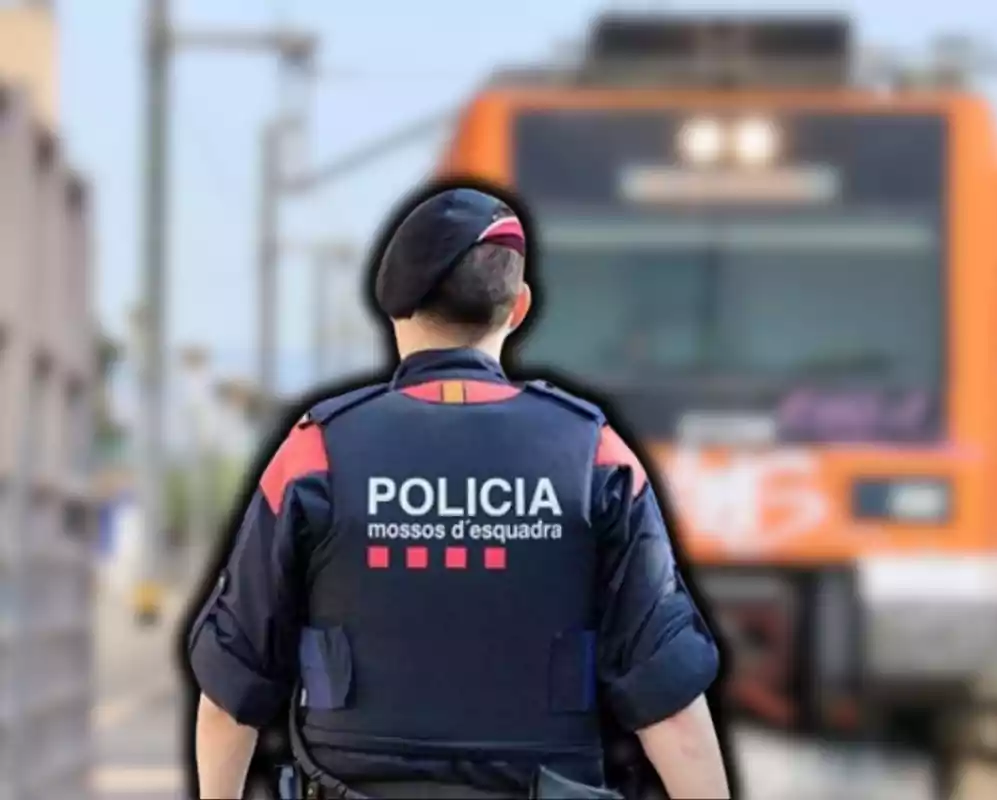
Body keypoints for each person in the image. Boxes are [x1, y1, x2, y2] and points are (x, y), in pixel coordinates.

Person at [187, 184, 731, 800]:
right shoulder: (595, 455)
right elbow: (673, 709)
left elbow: (231, 694)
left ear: (392, 307)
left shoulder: (316, 453)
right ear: (519, 307)